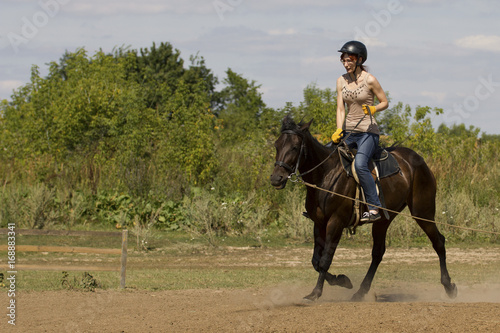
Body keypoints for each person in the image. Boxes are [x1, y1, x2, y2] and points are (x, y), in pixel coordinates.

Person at [331, 41, 389, 222]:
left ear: (359, 59)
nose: (346, 63)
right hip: (349, 132)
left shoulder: (369, 79)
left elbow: (384, 102)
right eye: (344, 60)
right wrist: (339, 129)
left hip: (368, 132)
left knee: (360, 165)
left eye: (350, 60)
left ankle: (374, 208)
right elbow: (341, 109)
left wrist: (374, 109)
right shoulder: (341, 81)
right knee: (327, 159)